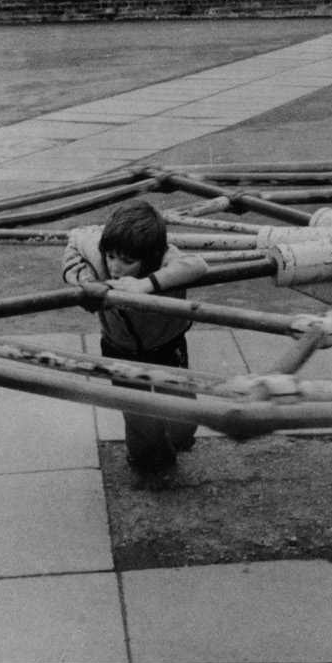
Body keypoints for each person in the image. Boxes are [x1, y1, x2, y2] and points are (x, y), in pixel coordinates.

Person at [63, 198, 206, 473]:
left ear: (151, 256)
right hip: (119, 348)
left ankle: (177, 440)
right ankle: (146, 461)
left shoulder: (166, 257)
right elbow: (75, 238)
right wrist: (85, 279)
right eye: (111, 257)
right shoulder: (101, 249)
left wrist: (144, 285)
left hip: (166, 346)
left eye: (128, 261)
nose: (115, 268)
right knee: (138, 415)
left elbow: (198, 265)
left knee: (182, 418)